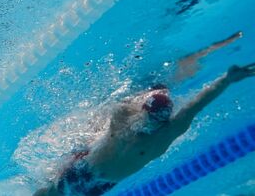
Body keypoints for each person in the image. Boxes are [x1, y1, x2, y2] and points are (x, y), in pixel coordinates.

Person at [34, 32, 252, 196]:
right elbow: (116, 108)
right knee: (50, 190)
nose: (145, 121)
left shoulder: (165, 136)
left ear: (162, 120)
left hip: (102, 180)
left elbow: (197, 104)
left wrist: (226, 80)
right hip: (85, 164)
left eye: (151, 118)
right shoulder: (126, 116)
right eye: (145, 114)